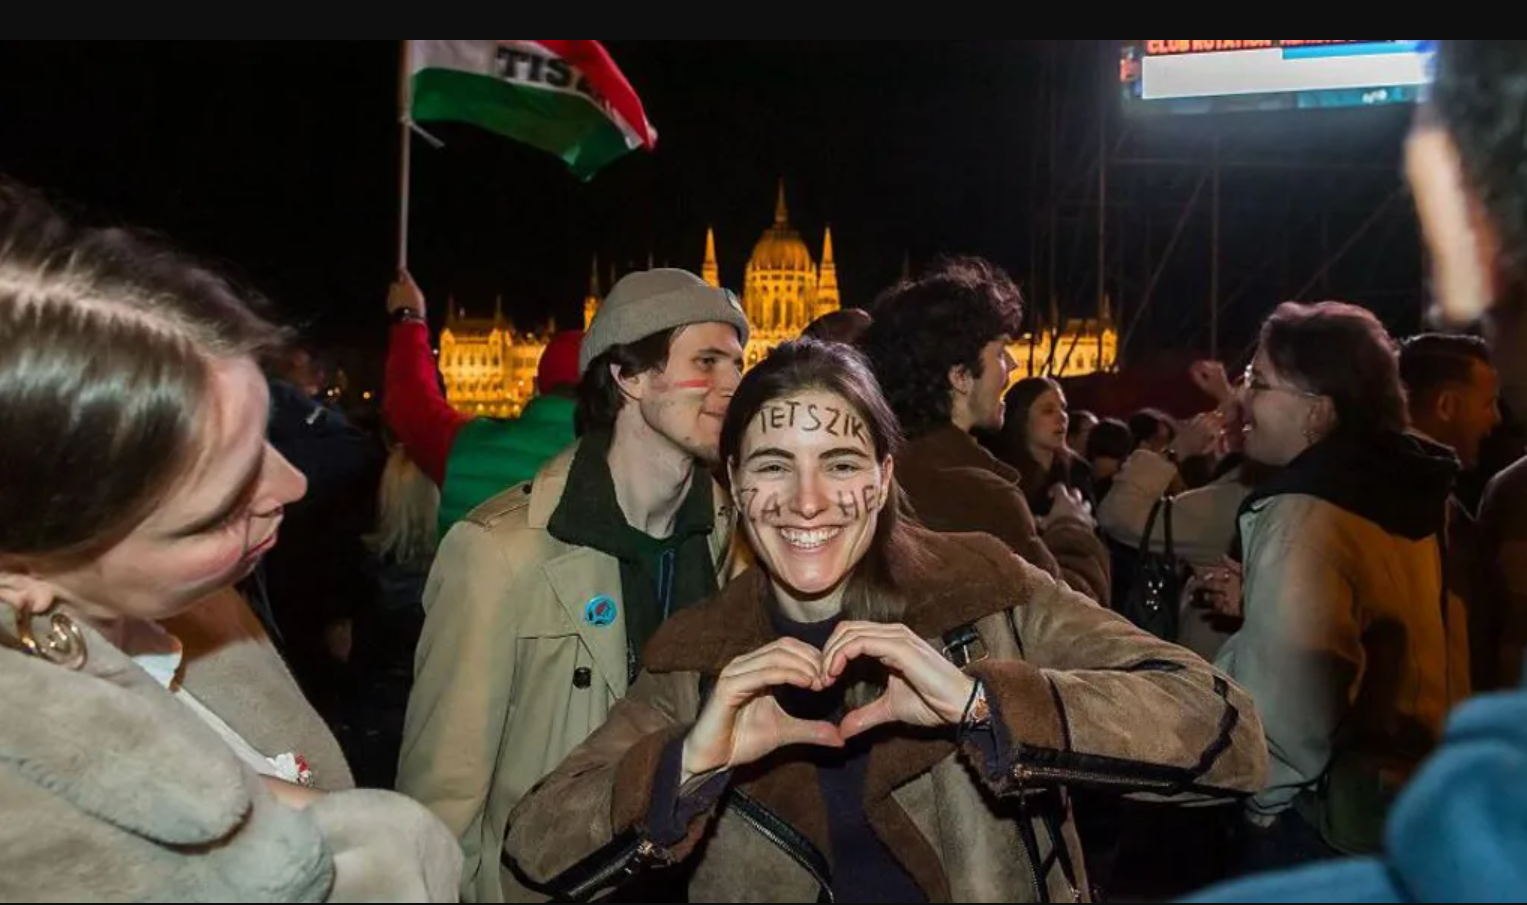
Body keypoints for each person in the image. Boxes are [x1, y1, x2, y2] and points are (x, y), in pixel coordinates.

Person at [504, 339, 1266, 903]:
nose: (808, 501)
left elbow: (1226, 732)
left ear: (882, 477)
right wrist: (689, 763)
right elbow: (530, 854)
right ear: (732, 482)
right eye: (772, 464)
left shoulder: (983, 588)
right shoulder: (697, 655)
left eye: (839, 462)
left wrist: (985, 705)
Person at [0, 183, 459, 900]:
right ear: (22, 572)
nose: (295, 486)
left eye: (267, 437)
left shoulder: (194, 604)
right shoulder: (39, 830)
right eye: (219, 509)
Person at [397, 268, 750, 902]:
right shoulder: (497, 554)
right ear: (629, 376)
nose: (733, 384)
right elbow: (442, 805)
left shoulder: (730, 537)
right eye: (708, 361)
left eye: (737, 363)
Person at [1214, 301, 1470, 866]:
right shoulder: (1420, 493)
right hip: (1407, 796)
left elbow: (1286, 713)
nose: (1240, 396)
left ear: (1317, 411)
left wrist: (1261, 809)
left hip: (1314, 822)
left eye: (1258, 380)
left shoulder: (1301, 514)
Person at [862, 257, 1110, 603]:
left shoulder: (879, 471)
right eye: (1000, 353)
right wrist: (1072, 530)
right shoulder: (981, 496)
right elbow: (1076, 617)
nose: (1013, 364)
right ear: (960, 377)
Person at [384, 269, 581, 533]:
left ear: (537, 385)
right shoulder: (627, 463)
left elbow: (409, 401)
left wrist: (409, 317)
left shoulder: (468, 448)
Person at [986, 376, 1097, 515]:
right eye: (1048, 411)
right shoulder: (1002, 476)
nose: (1062, 417)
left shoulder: (1078, 469)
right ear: (1021, 420)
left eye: (1063, 408)